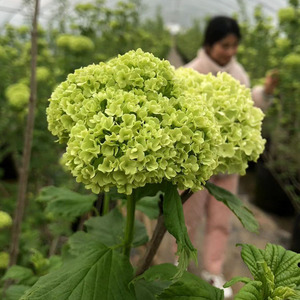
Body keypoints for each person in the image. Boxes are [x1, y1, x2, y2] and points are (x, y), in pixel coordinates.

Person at [182, 16, 278, 298]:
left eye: (235, 45)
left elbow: (250, 104)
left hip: (228, 164)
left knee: (221, 221)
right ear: (209, 44)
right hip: (196, 165)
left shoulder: (239, 72)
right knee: (188, 217)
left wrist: (265, 92)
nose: (231, 51)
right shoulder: (191, 71)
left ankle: (213, 271)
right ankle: (181, 260)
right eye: (225, 45)